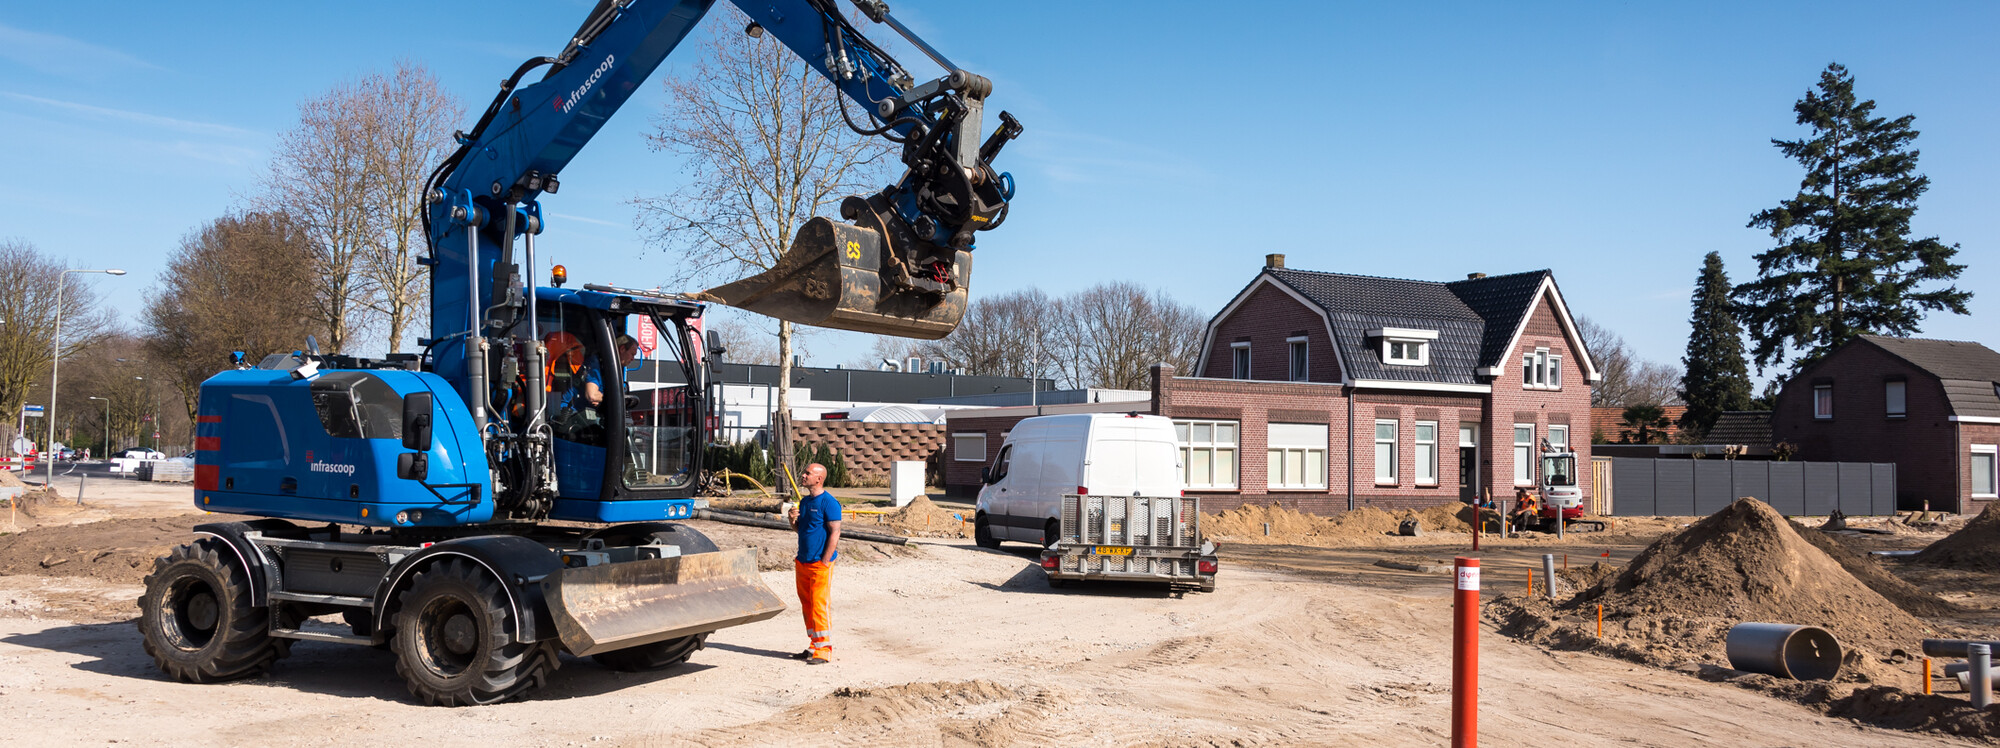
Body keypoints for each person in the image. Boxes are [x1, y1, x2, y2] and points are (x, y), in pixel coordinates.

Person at [786, 463, 841, 665]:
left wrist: (825, 561)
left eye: (808, 473)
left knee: (819, 604)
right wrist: (792, 521)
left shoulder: (829, 503)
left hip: (819, 563)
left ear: (819, 479)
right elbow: (801, 530)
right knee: (807, 604)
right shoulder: (805, 502)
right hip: (803, 561)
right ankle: (814, 644)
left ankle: (824, 649)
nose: (803, 475)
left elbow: (835, 532)